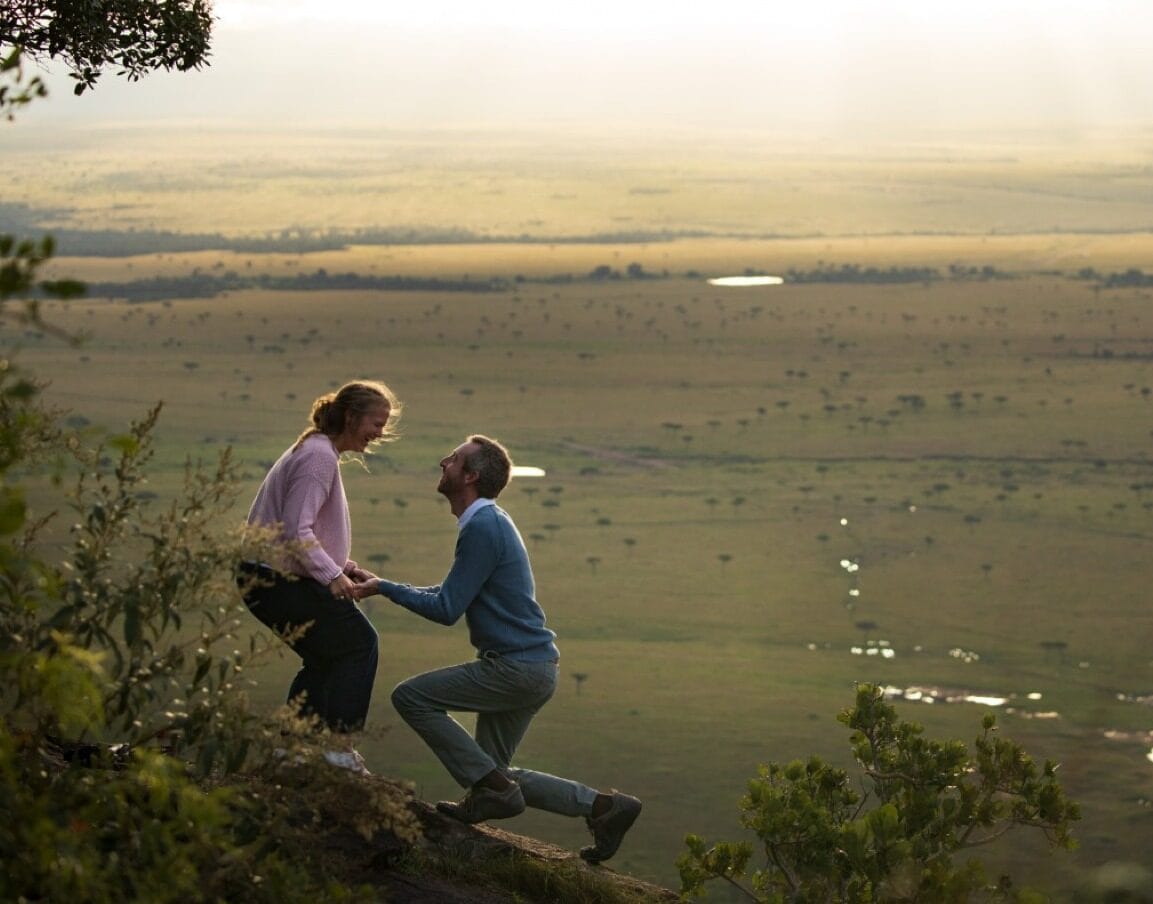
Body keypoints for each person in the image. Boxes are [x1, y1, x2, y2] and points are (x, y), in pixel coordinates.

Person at [353, 434, 642, 863]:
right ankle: (603, 807)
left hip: (515, 668)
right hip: (534, 666)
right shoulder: (487, 522)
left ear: (469, 476)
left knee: (411, 696)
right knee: (494, 771)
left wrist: (384, 588)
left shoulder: (483, 526)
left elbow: (447, 608)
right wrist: (384, 584)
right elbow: (454, 593)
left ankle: (491, 791)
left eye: (452, 459)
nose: (442, 461)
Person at [238, 379, 401, 774]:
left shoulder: (317, 450)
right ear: (350, 416)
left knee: (325, 657)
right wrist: (331, 574)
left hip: (267, 573)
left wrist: (340, 565)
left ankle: (289, 748)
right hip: (272, 578)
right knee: (359, 644)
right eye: (375, 423)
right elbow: (297, 531)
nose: (379, 433)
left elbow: (294, 529)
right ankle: (338, 750)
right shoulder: (318, 458)